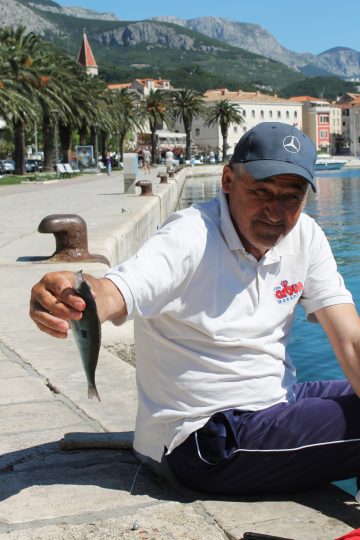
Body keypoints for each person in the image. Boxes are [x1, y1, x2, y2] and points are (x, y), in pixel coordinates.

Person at [30, 122, 360, 497]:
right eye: (261, 191)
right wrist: (76, 295)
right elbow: (119, 288)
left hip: (276, 400)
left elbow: (351, 340)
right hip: (202, 439)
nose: (275, 211)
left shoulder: (307, 237)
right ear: (228, 180)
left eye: (292, 197)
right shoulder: (189, 237)